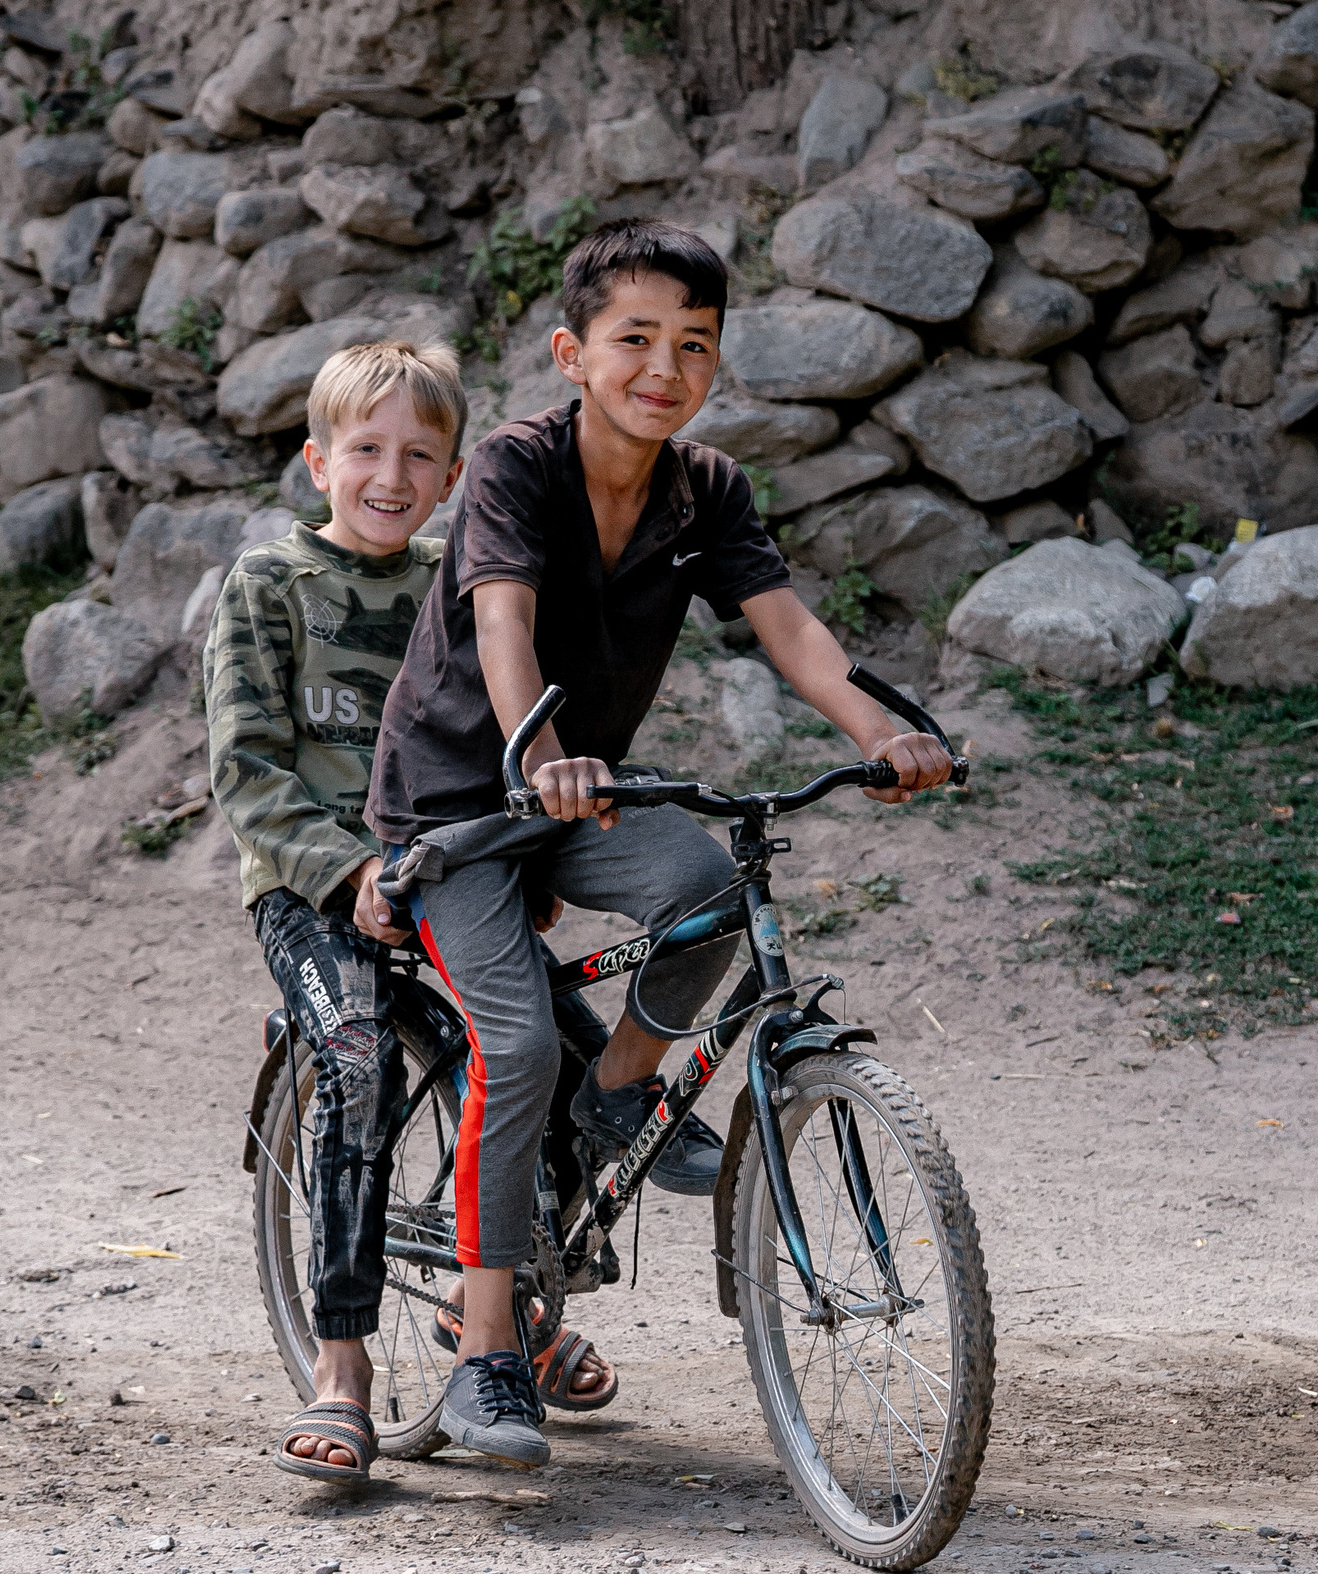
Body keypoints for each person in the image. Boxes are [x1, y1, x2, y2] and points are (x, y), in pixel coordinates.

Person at [364, 218, 953, 1470]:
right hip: (461, 802)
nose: (662, 368)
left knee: (708, 885)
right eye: (635, 340)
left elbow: (790, 632)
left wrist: (885, 731)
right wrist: (535, 750)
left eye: (693, 346)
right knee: (513, 1039)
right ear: (575, 353)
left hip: (582, 792)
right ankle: (483, 1359)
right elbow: (504, 621)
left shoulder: (706, 486)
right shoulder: (516, 468)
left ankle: (619, 1088)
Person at [202, 339, 619, 1486]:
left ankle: (500, 1316)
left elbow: (498, 736)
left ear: (448, 480)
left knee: (571, 1070)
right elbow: (247, 773)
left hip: (453, 876)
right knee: (358, 1062)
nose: (390, 474)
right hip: (319, 893)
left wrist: (522, 865)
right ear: (317, 462)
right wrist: (345, 877)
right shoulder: (270, 585)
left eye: (419, 456)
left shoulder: (461, 577)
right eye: (366, 450)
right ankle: (341, 1370)